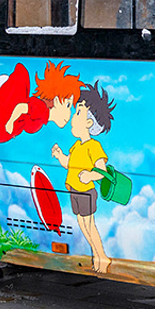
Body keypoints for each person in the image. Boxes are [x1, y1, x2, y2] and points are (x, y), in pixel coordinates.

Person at [50, 81, 116, 273]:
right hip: (74, 190)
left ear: (89, 123)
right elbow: (69, 163)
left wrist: (90, 175)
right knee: (82, 223)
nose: (73, 116)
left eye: (78, 112)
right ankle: (96, 254)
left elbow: (102, 172)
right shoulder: (77, 146)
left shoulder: (93, 146)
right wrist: (59, 155)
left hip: (86, 192)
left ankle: (101, 256)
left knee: (89, 224)